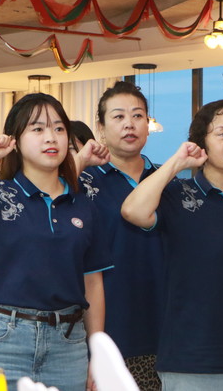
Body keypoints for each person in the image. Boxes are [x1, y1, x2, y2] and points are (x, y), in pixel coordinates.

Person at [0, 93, 112, 391]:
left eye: (58, 128)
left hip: (68, 342)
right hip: (3, 337)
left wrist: (98, 352)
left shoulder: (83, 202)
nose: (50, 137)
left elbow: (92, 282)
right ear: (15, 139)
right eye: (37, 129)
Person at [121, 99, 223, 391]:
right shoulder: (178, 194)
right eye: (222, 134)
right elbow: (132, 211)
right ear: (202, 143)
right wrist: (176, 163)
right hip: (191, 359)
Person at [78, 81, 165, 390]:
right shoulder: (83, 182)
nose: (130, 124)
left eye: (138, 115)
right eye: (118, 116)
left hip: (167, 332)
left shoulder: (166, 180)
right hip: (108, 329)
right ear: (100, 128)